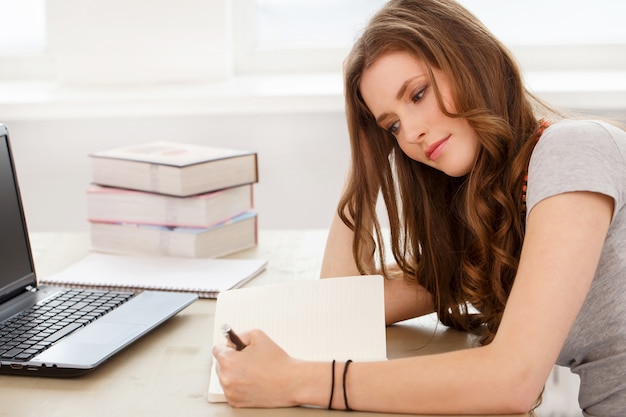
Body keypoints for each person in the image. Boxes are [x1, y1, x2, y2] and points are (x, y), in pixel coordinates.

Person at [212, 0, 626, 415]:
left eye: (418, 93)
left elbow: (512, 379)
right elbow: (339, 305)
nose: (410, 133)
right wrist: (367, 154)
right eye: (390, 125)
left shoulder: (574, 150)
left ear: (471, 62)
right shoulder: (486, 232)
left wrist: (294, 380)